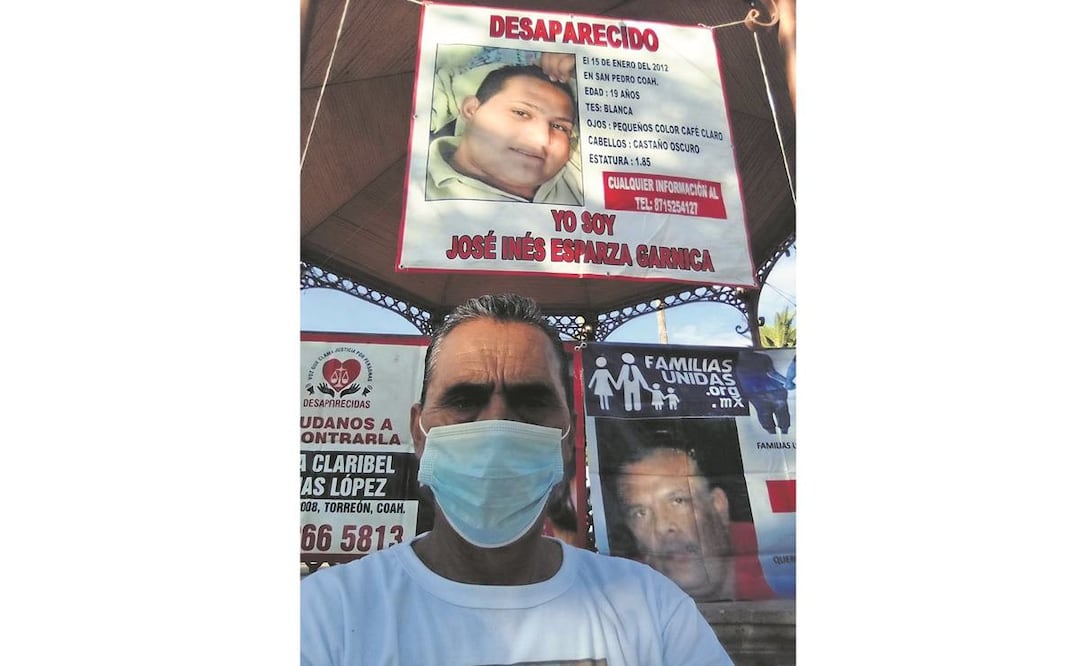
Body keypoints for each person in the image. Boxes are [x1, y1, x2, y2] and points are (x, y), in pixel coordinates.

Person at [301, 294, 732, 665]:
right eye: (464, 400)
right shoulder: (324, 616)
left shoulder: (654, 610)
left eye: (531, 401)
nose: (497, 427)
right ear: (419, 432)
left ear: (568, 438)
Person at [614, 443, 776, 602]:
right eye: (640, 513)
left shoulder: (777, 557)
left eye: (678, 501)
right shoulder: (624, 590)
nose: (661, 527)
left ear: (717, 505)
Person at [426, 62, 584, 205]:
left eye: (559, 127)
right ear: (471, 109)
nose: (542, 138)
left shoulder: (578, 169)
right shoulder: (418, 189)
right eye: (521, 113)